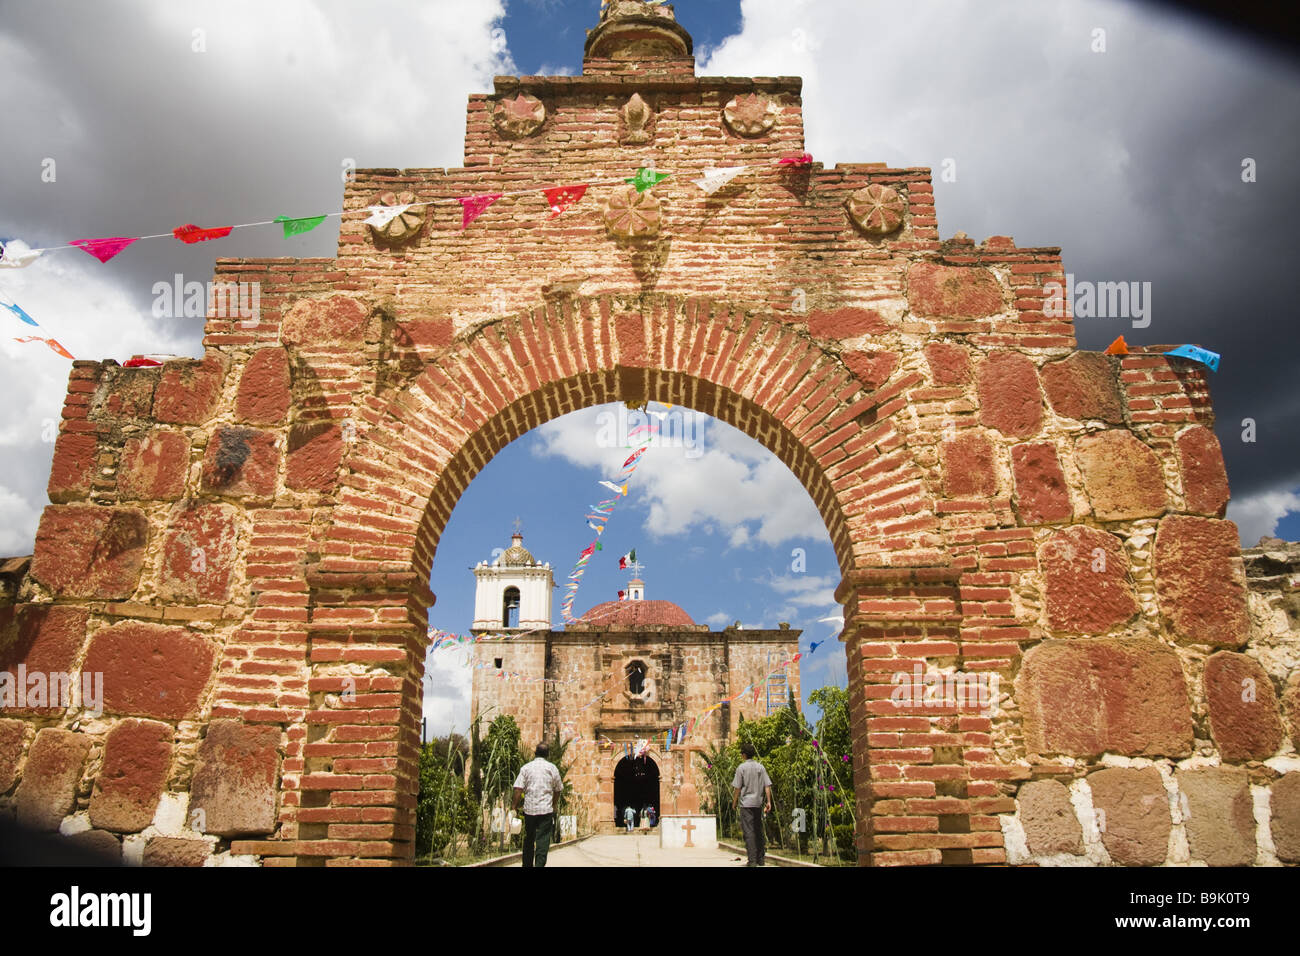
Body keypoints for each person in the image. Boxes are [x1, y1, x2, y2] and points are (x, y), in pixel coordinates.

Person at [511, 742, 564, 868]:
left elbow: (518, 788)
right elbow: (558, 789)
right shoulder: (552, 768)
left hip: (529, 810)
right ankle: (539, 865)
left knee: (529, 838)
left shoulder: (526, 768)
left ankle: (527, 865)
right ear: (548, 754)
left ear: (535, 753)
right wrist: (554, 804)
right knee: (543, 840)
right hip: (546, 810)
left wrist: (514, 806)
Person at [731, 741, 773, 867]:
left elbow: (737, 788)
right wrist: (769, 801)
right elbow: (767, 785)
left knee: (748, 832)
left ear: (744, 755)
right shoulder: (761, 767)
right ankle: (761, 859)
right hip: (758, 803)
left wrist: (734, 802)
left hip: (746, 805)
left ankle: (752, 860)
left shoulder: (741, 768)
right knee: (758, 830)